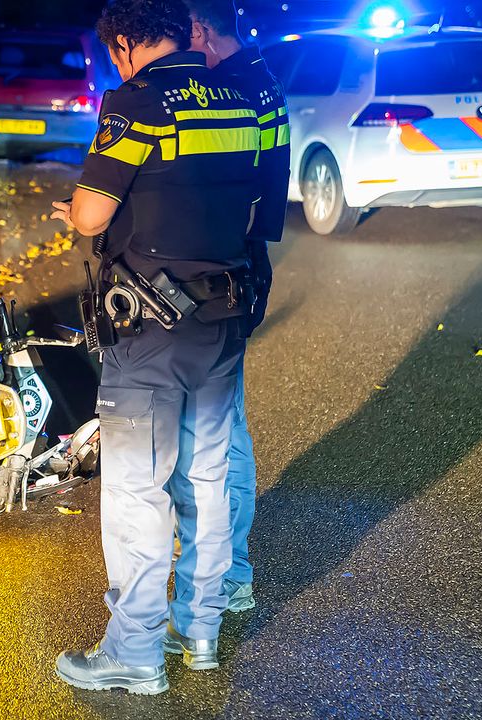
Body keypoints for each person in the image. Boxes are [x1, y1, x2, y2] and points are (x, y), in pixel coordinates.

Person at [49, 0, 261, 694]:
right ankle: (199, 629)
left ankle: (136, 651)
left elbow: (90, 214)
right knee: (206, 476)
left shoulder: (136, 100)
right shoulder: (237, 96)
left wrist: (86, 202)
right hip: (222, 318)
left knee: (140, 491)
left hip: (148, 332)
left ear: (123, 42)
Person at [186, 0, 290, 614]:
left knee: (220, 433)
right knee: (223, 426)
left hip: (227, 268)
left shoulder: (229, 89)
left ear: (199, 30)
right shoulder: (260, 77)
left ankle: (227, 570)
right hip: (247, 261)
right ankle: (228, 565)